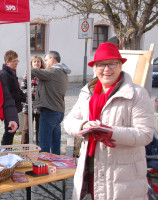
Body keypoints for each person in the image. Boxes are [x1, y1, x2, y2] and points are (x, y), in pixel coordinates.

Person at [64, 42, 154, 200]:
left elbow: (145, 134)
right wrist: (83, 125)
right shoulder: (87, 93)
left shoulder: (137, 94)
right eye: (101, 64)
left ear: (120, 65)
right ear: (94, 68)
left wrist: (110, 131)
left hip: (123, 180)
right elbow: (69, 121)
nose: (107, 69)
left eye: (112, 63)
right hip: (91, 170)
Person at [31, 51, 71, 155]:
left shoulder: (53, 71)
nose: (45, 62)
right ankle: (56, 162)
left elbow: (34, 71)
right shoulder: (62, 72)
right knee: (55, 141)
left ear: (52, 59)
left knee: (44, 141)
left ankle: (45, 164)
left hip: (50, 110)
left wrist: (31, 67)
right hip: (58, 110)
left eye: (46, 60)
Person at [0, 50, 26, 145]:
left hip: (15, 105)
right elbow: (8, 94)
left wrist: (25, 97)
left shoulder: (11, 72)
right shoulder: (5, 74)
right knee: (10, 130)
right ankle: (5, 149)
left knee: (12, 129)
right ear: (7, 62)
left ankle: (7, 148)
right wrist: (22, 98)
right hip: (9, 106)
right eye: (14, 61)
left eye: (17, 61)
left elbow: (17, 89)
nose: (16, 63)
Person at [20, 56, 45, 144]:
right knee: (27, 128)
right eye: (34, 62)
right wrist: (31, 94)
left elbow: (47, 89)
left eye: (38, 61)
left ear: (41, 63)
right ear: (32, 64)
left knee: (39, 128)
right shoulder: (27, 75)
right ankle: (24, 147)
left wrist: (38, 93)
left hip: (40, 105)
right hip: (28, 105)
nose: (36, 63)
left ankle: (39, 147)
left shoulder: (44, 74)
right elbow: (22, 88)